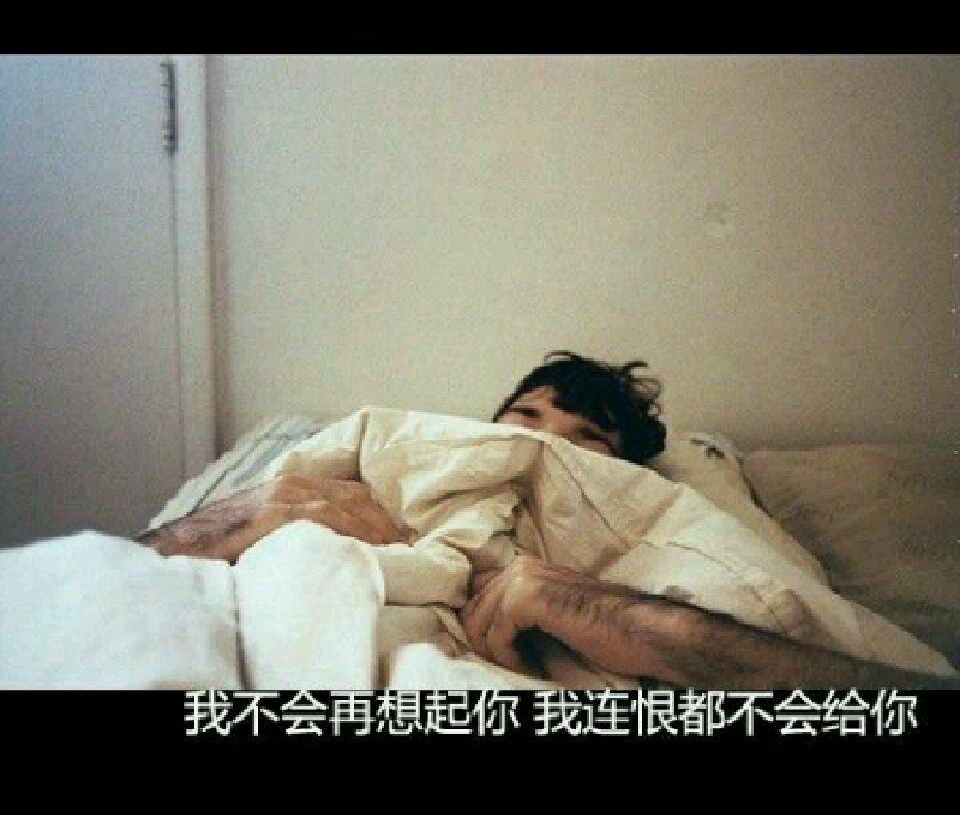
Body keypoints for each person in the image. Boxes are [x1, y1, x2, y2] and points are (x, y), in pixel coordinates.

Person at [139, 351, 958, 689]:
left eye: (587, 439)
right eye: (525, 421)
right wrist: (208, 528)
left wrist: (584, 606)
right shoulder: (392, 461)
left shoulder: (668, 526)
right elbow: (106, 594)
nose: (544, 445)